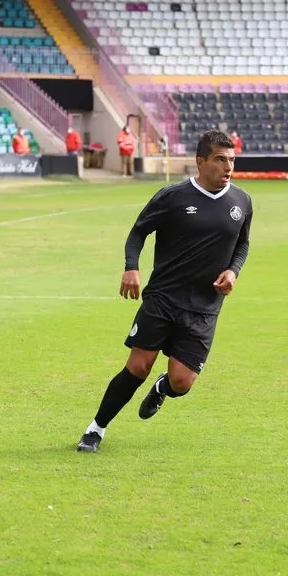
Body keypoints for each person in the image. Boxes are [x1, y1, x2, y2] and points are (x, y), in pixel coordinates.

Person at [75, 130, 253, 453]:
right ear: (201, 161)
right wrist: (131, 266)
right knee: (137, 367)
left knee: (181, 383)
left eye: (232, 160)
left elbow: (242, 243)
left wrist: (233, 271)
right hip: (163, 298)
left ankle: (163, 387)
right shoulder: (173, 197)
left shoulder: (241, 201)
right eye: (220, 159)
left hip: (204, 306)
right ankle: (95, 429)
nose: (228, 167)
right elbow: (138, 232)